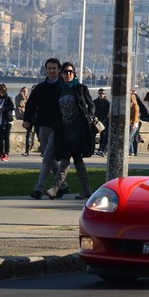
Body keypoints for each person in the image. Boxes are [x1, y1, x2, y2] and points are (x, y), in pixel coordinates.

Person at [44, 62, 95, 200]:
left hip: (78, 131)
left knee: (66, 158)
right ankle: (87, 190)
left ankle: (55, 188)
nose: (69, 74)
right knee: (77, 160)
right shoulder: (60, 90)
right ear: (61, 74)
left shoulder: (81, 89)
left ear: (75, 73)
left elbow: (91, 106)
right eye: (66, 72)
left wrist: (89, 117)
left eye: (71, 71)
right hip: (65, 131)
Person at [23, 58, 69, 200]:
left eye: (54, 68)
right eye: (49, 68)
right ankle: (63, 185)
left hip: (58, 127)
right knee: (50, 159)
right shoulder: (41, 88)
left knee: (47, 158)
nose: (52, 71)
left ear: (59, 70)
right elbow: (31, 104)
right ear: (46, 69)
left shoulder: (64, 87)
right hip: (43, 126)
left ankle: (39, 188)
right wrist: (27, 119)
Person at [0, 83, 15, 161]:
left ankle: (6, 154)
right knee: (0, 138)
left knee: (6, 137)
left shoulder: (8, 99)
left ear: (1, 90)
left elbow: (12, 107)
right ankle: (1, 153)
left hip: (6, 121)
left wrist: (3, 109)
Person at [15, 87, 33, 156]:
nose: (25, 93)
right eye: (24, 91)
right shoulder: (18, 97)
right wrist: (22, 98)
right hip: (22, 115)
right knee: (28, 133)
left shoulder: (29, 97)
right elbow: (20, 104)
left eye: (26, 91)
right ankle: (27, 151)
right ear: (21, 92)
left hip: (30, 117)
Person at [93, 88, 110, 156]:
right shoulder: (95, 101)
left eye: (103, 93)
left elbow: (108, 112)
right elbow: (93, 110)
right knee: (93, 135)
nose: (101, 95)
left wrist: (105, 120)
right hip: (96, 120)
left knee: (103, 136)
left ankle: (101, 149)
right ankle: (92, 149)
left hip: (104, 121)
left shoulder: (107, 102)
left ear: (105, 94)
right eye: (100, 93)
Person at [129, 91, 140, 157]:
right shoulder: (129, 105)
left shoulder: (135, 106)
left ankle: (131, 152)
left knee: (129, 138)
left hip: (134, 124)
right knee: (130, 138)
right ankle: (131, 152)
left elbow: (136, 116)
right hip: (129, 124)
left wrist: (133, 125)